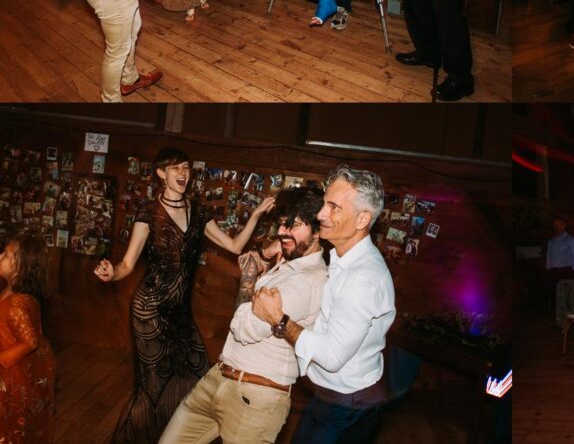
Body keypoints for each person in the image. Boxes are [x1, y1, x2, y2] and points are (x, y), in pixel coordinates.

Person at [93, 147, 271, 444]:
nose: (183, 174)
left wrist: (253, 215)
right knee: (152, 389)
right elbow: (127, 264)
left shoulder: (199, 212)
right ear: (161, 174)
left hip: (180, 314)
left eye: (186, 167)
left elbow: (235, 246)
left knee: (199, 378)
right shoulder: (148, 212)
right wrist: (112, 273)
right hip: (149, 311)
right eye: (175, 168)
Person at [158, 188, 329, 444]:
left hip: (255, 400)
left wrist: (249, 274)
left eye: (293, 226)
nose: (283, 232)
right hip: (219, 378)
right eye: (282, 224)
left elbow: (243, 327)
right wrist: (263, 258)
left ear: (317, 232)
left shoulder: (308, 281)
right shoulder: (288, 262)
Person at [253, 165, 395, 443]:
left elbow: (331, 357)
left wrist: (279, 320)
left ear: (362, 219)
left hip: (348, 403)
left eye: (333, 207)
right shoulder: (345, 257)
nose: (320, 214)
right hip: (333, 396)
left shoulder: (362, 279)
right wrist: (280, 249)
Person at [0, 234, 56, 443]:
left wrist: (3, 358)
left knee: (11, 424)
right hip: (14, 367)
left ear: (19, 265)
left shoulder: (16, 305)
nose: (0, 257)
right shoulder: (14, 292)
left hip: (13, 375)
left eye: (5, 255)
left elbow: (31, 341)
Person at [546, 216, 574, 329]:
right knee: (559, 299)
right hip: (556, 273)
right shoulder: (551, 242)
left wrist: (573, 272)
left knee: (571, 299)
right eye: (554, 225)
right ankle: (561, 323)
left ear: (564, 225)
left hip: (568, 272)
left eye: (558, 225)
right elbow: (549, 257)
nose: (555, 227)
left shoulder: (572, 240)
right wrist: (549, 270)